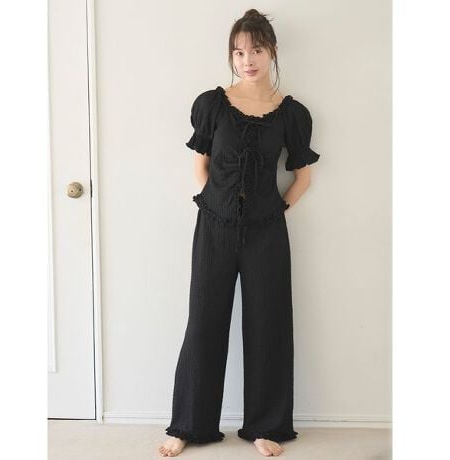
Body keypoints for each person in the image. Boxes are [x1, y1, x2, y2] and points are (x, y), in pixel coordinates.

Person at [159, 8, 320, 458]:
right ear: (231, 56)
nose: (247, 60)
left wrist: (271, 211)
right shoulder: (213, 105)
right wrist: (219, 205)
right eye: (238, 52)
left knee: (269, 324)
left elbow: (303, 178)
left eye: (256, 50)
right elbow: (202, 168)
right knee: (204, 322)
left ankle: (266, 426)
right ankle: (189, 424)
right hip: (214, 226)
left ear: (272, 52)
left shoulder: (291, 114)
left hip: (267, 233)